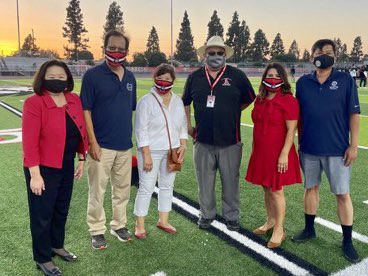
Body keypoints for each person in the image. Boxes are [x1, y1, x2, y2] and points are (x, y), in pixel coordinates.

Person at [292, 39, 361, 263]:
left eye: (329, 52)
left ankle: (347, 240)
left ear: (335, 56)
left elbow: (354, 114)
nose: (324, 55)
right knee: (310, 189)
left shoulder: (345, 80)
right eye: (320, 51)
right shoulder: (303, 83)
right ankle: (310, 229)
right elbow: (297, 116)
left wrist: (353, 145)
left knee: (342, 194)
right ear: (312, 55)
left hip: (337, 149)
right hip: (309, 148)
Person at [182, 36, 256, 231]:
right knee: (204, 182)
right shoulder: (195, 77)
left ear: (225, 55)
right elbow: (185, 102)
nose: (215, 56)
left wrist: (231, 110)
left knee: (231, 181)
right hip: (203, 139)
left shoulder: (237, 76)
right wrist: (188, 126)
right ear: (205, 55)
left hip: (230, 140)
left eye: (219, 53)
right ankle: (207, 214)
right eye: (211, 53)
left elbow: (249, 99)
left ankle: (231, 216)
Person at [22, 60, 88, 276]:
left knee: (61, 209)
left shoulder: (73, 99)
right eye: (52, 76)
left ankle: (56, 245)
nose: (57, 80)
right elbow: (29, 142)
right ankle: (42, 257)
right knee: (42, 214)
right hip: (43, 168)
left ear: (68, 79)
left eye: (62, 77)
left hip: (66, 164)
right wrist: (35, 175)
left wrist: (81, 159)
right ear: (42, 77)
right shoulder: (35, 103)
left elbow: (79, 130)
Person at [80, 30, 137, 249]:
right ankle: (96, 229)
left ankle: (118, 225)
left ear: (126, 51)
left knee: (122, 190)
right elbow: (86, 110)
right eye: (112, 47)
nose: (116, 52)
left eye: (120, 48)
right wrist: (93, 143)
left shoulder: (130, 77)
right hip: (101, 146)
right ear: (104, 48)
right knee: (97, 190)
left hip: (124, 145)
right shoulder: (92, 75)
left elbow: (128, 109)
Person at [246, 63, 302, 248]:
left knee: (276, 190)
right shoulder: (260, 99)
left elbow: (291, 129)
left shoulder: (288, 100)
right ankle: (270, 221)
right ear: (263, 78)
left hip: (278, 151)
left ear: (282, 79)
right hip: (261, 151)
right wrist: (254, 150)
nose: (272, 79)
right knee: (265, 187)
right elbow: (257, 126)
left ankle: (279, 229)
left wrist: (284, 154)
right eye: (269, 75)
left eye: (276, 76)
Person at [134, 64, 188, 239]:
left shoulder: (177, 101)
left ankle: (163, 220)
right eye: (161, 78)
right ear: (155, 78)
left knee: (167, 186)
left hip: (171, 151)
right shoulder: (146, 101)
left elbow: (182, 125)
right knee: (146, 188)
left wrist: (183, 144)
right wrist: (147, 154)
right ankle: (139, 225)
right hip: (151, 151)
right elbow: (141, 130)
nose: (163, 82)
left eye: (167, 79)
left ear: (173, 80)